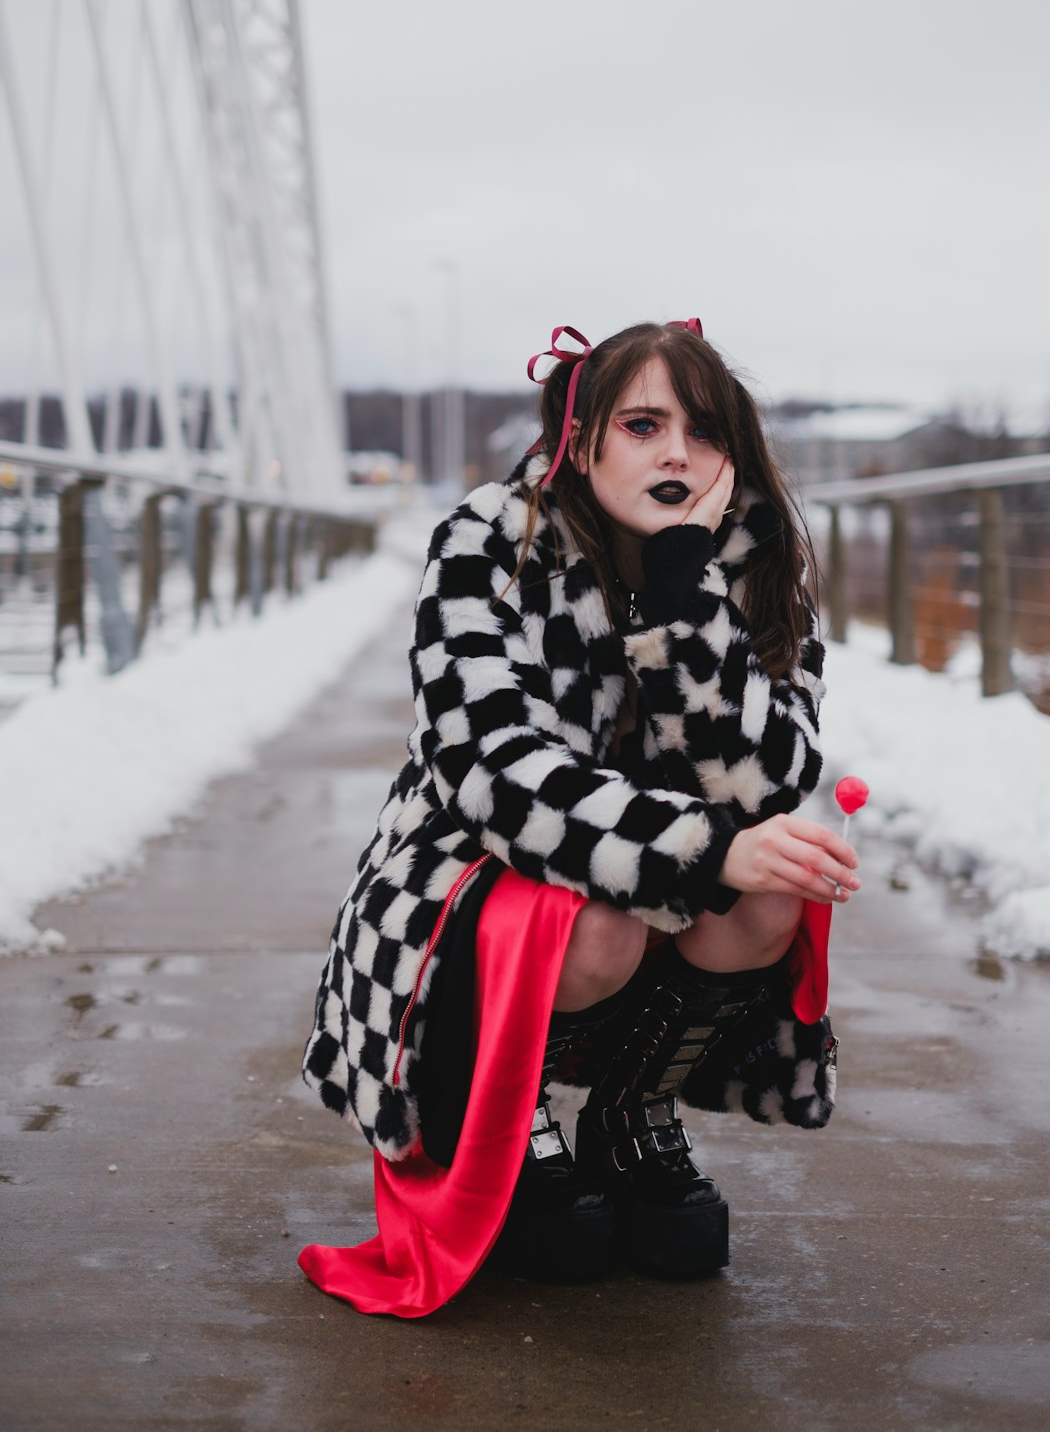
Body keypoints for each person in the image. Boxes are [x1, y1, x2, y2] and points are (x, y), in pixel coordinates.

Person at [299, 318, 859, 1318]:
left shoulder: (755, 568)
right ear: (583, 438)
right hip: (463, 884)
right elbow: (499, 774)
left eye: (705, 431)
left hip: (650, 886)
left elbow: (768, 784)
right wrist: (702, 846)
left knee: (770, 899)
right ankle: (504, 1129)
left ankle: (627, 1114)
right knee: (604, 917)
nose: (677, 454)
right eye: (643, 425)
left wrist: (689, 596)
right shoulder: (491, 542)